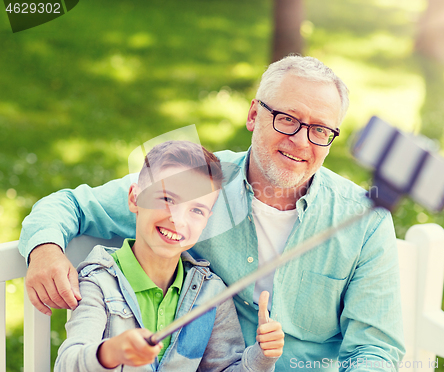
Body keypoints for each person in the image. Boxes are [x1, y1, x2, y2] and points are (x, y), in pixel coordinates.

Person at [20, 55, 405, 371]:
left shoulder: (363, 218)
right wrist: (46, 250)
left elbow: (375, 352)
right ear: (254, 114)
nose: (300, 141)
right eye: (287, 119)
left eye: (320, 130)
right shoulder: (200, 185)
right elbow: (70, 204)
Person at [55, 140, 284, 371]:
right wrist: (112, 352)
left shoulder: (212, 294)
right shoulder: (99, 282)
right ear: (135, 198)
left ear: (206, 220)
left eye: (196, 210)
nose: (178, 219)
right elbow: (67, 363)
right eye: (167, 199)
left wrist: (261, 357)